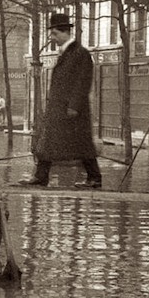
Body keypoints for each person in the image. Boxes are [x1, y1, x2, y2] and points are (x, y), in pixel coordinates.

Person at [19, 13, 101, 189]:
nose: (52, 37)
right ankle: (41, 177)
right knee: (48, 140)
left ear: (65, 33)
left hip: (72, 111)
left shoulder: (80, 53)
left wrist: (74, 106)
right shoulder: (67, 53)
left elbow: (83, 82)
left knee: (82, 144)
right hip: (60, 109)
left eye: (54, 33)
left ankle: (94, 178)